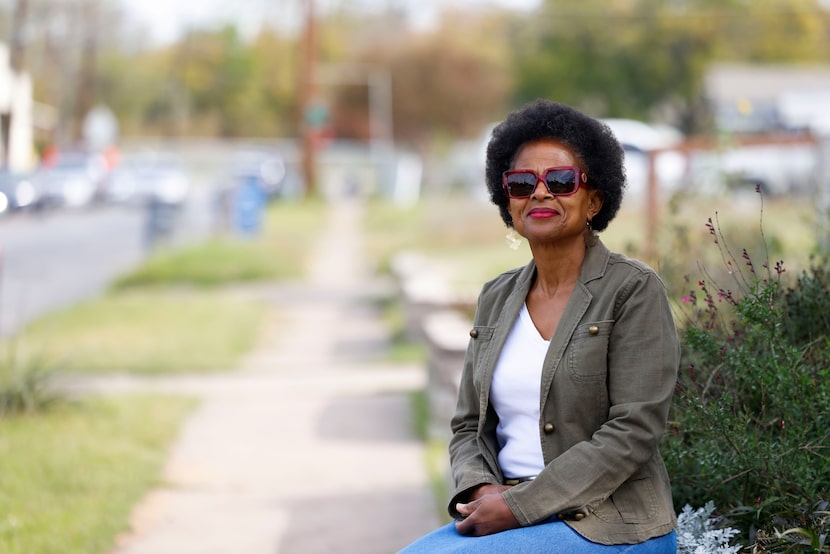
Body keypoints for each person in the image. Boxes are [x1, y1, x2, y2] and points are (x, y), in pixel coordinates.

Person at [399, 99, 680, 553]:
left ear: (595, 199)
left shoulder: (633, 291)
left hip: (606, 523)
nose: (541, 193)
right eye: (523, 182)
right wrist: (481, 491)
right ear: (506, 198)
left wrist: (520, 505)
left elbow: (633, 431)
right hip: (505, 511)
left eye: (562, 181)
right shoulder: (495, 297)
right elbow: (468, 426)